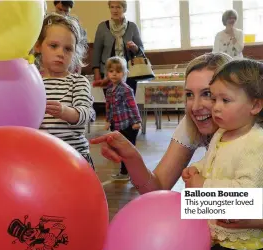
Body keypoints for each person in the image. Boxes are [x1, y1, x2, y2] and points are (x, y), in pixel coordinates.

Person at [90, 52, 263, 232]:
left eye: (208, 94)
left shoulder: (255, 138)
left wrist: (203, 192)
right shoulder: (192, 121)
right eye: (189, 94)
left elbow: (238, 208)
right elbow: (158, 189)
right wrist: (131, 156)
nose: (195, 106)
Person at [183, 59, 263, 250]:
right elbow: (214, 161)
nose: (215, 108)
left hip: (244, 248)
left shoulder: (255, 143)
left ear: (255, 105)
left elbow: (247, 193)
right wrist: (196, 168)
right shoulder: (222, 133)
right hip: (219, 238)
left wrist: (203, 187)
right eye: (214, 98)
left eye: (225, 100)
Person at [34, 13, 94, 170]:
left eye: (68, 49)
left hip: (74, 159)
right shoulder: (32, 81)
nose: (60, 53)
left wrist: (65, 111)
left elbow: (86, 113)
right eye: (53, 46)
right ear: (38, 46)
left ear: (75, 53)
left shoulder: (78, 82)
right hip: (41, 159)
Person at [92, 0, 144, 95]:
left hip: (129, 73)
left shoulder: (132, 27)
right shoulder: (102, 27)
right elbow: (96, 52)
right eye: (112, 7)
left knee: (128, 101)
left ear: (124, 9)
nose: (115, 10)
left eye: (118, 7)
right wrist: (97, 73)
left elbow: (141, 51)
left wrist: (134, 47)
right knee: (112, 102)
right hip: (109, 72)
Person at [104, 56, 141, 180]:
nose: (114, 74)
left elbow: (133, 106)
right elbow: (109, 107)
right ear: (107, 73)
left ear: (124, 73)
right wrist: (108, 121)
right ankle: (125, 172)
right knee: (120, 149)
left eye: (118, 71)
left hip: (129, 125)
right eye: (111, 71)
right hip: (117, 125)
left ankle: (132, 172)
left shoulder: (126, 89)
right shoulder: (109, 90)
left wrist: (137, 121)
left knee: (128, 151)